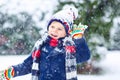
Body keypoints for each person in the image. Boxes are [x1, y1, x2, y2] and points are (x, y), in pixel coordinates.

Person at [0, 6, 90, 80]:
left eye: (59, 29)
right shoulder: (41, 46)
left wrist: (79, 39)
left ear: (67, 32)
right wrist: (13, 71)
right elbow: (28, 64)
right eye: (52, 26)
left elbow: (84, 56)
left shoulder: (69, 48)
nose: (54, 31)